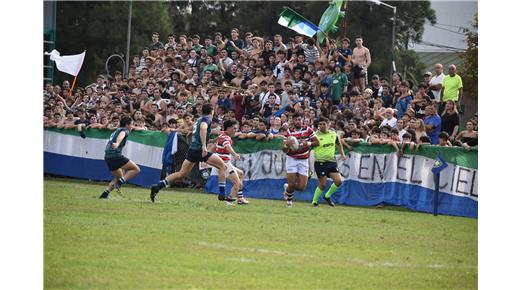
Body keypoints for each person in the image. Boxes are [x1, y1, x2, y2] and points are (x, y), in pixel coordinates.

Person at [150, 103, 230, 202]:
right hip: (200, 150)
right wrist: (204, 146)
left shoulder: (199, 119)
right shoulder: (207, 119)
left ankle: (157, 186)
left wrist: (214, 140)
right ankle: (222, 194)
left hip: (193, 150)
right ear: (211, 111)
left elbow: (198, 137)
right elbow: (203, 128)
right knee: (223, 167)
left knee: (181, 174)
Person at [282, 112, 320, 207]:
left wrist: (307, 143)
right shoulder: (288, 133)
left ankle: (287, 189)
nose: (298, 121)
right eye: (296, 120)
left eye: (299, 119)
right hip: (292, 159)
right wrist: (287, 145)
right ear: (292, 121)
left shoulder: (308, 130)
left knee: (302, 187)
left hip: (303, 160)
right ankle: (289, 202)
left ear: (302, 120)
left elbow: (317, 142)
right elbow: (284, 150)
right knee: (291, 183)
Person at [99, 116, 141, 199]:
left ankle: (105, 193)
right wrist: (118, 143)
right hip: (115, 155)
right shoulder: (124, 130)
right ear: (126, 125)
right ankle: (121, 182)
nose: (132, 126)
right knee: (136, 169)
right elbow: (122, 135)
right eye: (131, 124)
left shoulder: (117, 129)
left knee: (119, 177)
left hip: (107, 156)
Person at [311, 117, 347, 207]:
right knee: (322, 184)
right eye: (320, 124)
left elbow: (339, 144)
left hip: (331, 162)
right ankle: (314, 202)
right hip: (320, 163)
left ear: (328, 124)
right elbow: (309, 148)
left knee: (339, 181)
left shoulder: (333, 134)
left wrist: (342, 154)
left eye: (324, 124)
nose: (322, 126)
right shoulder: (315, 136)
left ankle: (327, 196)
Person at [214, 119, 249, 205]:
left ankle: (240, 198)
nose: (235, 130)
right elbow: (227, 146)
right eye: (234, 128)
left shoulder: (222, 135)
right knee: (237, 183)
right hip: (224, 164)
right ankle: (229, 202)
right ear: (228, 128)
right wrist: (235, 154)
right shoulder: (226, 138)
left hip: (224, 163)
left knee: (240, 173)